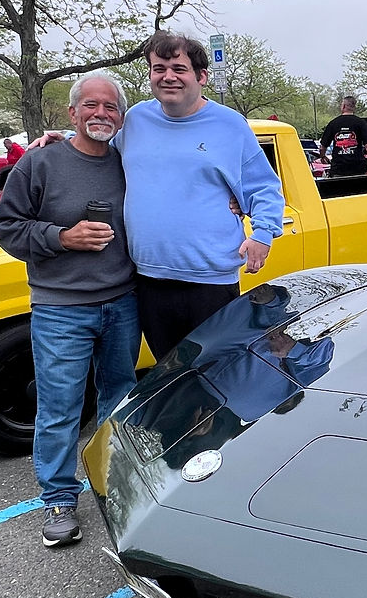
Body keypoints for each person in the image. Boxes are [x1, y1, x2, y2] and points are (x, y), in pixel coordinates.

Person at [0, 74, 140, 549]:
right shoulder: (40, 162)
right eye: (90, 106)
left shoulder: (128, 162)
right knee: (60, 408)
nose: (102, 114)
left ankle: (119, 485)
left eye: (111, 107)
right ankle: (58, 498)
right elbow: (7, 226)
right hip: (61, 309)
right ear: (72, 113)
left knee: (119, 398)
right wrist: (61, 238)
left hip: (123, 302)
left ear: (121, 116)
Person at [113, 31, 285, 360]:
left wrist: (263, 233)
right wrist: (58, 140)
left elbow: (262, 187)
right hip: (149, 279)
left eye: (179, 68)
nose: (168, 77)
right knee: (169, 376)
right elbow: (98, 149)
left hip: (210, 282)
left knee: (215, 378)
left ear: (201, 76)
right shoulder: (135, 119)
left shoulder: (230, 125)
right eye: (159, 68)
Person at [319, 96, 367, 177]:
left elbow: (323, 147)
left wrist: (323, 156)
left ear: (344, 106)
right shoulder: (361, 123)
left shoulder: (333, 123)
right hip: (358, 169)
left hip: (338, 169)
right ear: (353, 107)